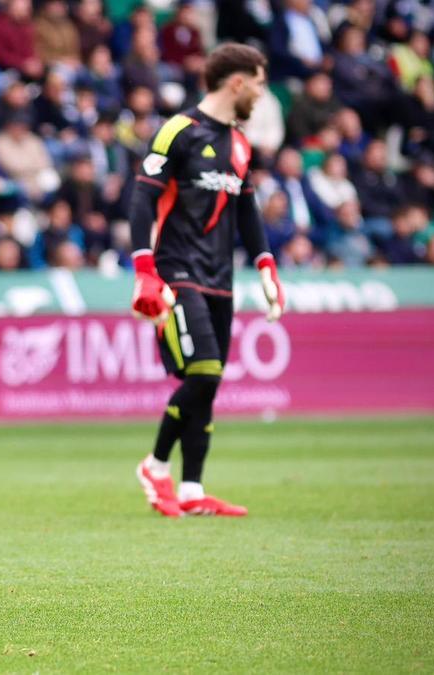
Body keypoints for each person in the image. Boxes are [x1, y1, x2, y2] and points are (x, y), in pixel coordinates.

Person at [128, 44, 286, 518]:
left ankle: (193, 489)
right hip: (176, 270)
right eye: (257, 83)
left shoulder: (240, 144)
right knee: (206, 371)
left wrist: (265, 266)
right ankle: (156, 466)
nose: (261, 94)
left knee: (208, 384)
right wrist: (143, 272)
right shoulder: (179, 130)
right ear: (236, 82)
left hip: (221, 278)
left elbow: (246, 211)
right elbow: (143, 201)